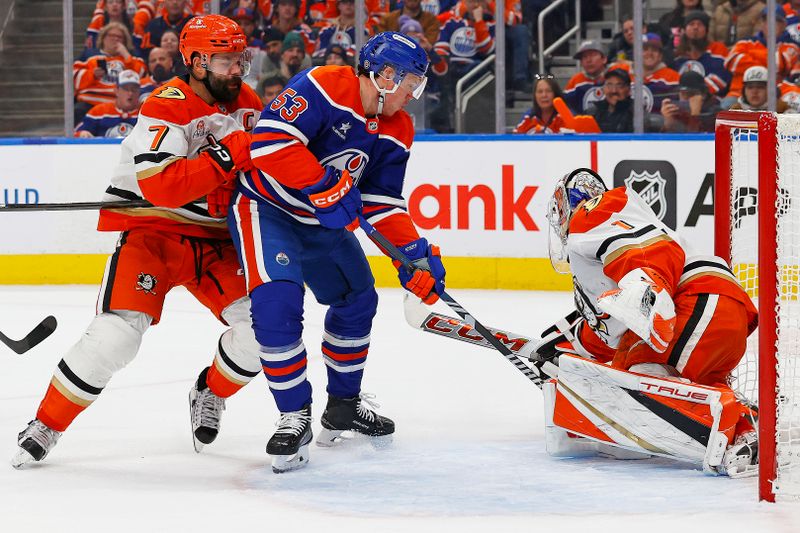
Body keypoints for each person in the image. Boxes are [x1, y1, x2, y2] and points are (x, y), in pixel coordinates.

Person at [11, 15, 265, 468]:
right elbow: (161, 187)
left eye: (240, 59)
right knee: (116, 336)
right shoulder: (167, 102)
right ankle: (47, 422)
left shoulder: (247, 101)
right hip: (155, 232)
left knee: (266, 330)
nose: (237, 70)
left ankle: (210, 390)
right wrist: (229, 154)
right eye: (228, 61)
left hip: (219, 241)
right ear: (198, 61)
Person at [230, 31, 446, 473]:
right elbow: (268, 142)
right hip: (268, 209)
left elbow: (381, 201)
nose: (413, 94)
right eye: (411, 83)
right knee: (277, 304)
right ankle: (294, 415)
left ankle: (343, 406)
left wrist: (412, 254)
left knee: (358, 298)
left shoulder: (398, 127)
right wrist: (321, 184)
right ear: (386, 75)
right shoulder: (326, 83)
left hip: (320, 222)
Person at [535, 168, 759, 476]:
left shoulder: (593, 211)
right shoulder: (595, 259)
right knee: (632, 370)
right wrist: (564, 344)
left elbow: (646, 250)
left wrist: (646, 285)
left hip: (695, 304)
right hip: (715, 315)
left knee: (639, 384)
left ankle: (730, 423)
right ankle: (746, 426)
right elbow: (612, 333)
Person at [723, 7, 800, 108]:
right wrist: (767, 61)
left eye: (775, 21)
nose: (770, 25)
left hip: (770, 96)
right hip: (737, 93)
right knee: (723, 113)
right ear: (761, 24)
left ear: (784, 25)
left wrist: (751, 55)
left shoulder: (791, 45)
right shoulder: (746, 41)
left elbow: (779, 64)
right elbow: (731, 61)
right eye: (766, 21)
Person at [73, 22, 148, 123]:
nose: (115, 39)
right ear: (103, 38)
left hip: (122, 105)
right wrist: (92, 74)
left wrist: (126, 55)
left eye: (120, 37)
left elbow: (140, 77)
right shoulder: (90, 56)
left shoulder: (132, 59)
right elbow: (75, 78)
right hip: (91, 102)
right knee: (78, 110)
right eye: (111, 35)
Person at [673, 10, 731, 98]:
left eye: (700, 24)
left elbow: (720, 79)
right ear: (684, 30)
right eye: (691, 24)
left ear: (706, 30)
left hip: (713, 102)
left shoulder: (718, 49)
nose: (695, 27)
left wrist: (695, 94)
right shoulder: (678, 56)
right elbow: (674, 83)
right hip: (683, 102)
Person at [75, 69, 142, 138]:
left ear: (139, 92)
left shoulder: (145, 112)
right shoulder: (99, 111)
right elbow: (76, 134)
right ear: (116, 91)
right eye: (125, 89)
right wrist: (82, 133)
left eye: (134, 89)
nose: (130, 93)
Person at [563, 40, 607, 114]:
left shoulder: (614, 78)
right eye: (584, 57)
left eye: (593, 55)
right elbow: (565, 105)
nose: (588, 60)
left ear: (604, 59)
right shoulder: (576, 81)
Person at [586, 68, 634, 133]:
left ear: (629, 90)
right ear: (604, 88)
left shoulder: (636, 114)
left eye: (619, 85)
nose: (614, 90)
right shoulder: (593, 113)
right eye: (609, 85)